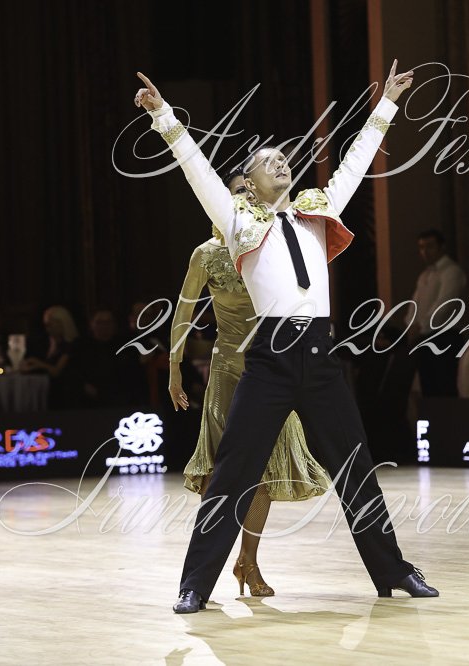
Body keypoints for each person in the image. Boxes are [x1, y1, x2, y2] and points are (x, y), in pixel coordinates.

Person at [134, 62, 439, 614]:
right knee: (233, 473)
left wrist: (387, 106)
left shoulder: (316, 212)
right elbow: (197, 170)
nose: (281, 161)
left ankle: (394, 570)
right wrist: (163, 117)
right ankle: (195, 584)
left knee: (355, 466)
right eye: (267, 160)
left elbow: (355, 164)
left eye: (284, 158)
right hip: (269, 360)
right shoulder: (237, 222)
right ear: (248, 184)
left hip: (320, 358)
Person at [168, 165, 332, 598]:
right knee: (219, 474)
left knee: (264, 470)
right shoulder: (206, 254)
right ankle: (203, 570)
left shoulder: (273, 242)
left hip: (273, 368)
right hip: (227, 371)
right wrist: (174, 368)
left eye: (249, 190)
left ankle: (249, 561)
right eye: (237, 191)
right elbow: (183, 313)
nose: (246, 197)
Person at [405, 229, 467, 397]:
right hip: (425, 338)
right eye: (421, 247)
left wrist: (420, 326)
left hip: (445, 338)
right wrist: (411, 324)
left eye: (430, 246)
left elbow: (444, 304)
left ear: (442, 247)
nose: (425, 252)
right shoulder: (425, 275)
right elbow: (414, 303)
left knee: (444, 388)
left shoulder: (452, 271)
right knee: (429, 389)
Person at [21, 305, 82, 408]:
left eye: (50, 325)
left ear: (61, 323)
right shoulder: (48, 343)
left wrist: (38, 363)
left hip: (66, 393)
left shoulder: (72, 345)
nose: (47, 329)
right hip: (48, 391)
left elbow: (56, 371)